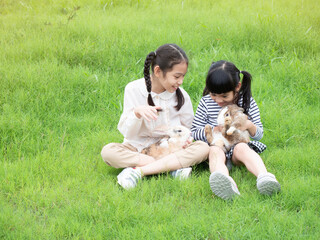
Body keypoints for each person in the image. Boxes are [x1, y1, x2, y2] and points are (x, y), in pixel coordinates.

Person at [101, 44, 209, 190]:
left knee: (203, 147)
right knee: (108, 152)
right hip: (137, 149)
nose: (181, 81)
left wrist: (187, 141)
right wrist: (137, 113)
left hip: (170, 148)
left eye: (183, 76)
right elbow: (128, 133)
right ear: (158, 71)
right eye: (177, 76)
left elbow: (190, 128)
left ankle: (138, 171)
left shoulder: (182, 96)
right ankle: (171, 168)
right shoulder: (133, 89)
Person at [191, 60, 281, 200]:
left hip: (237, 146)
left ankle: (264, 177)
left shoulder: (247, 101)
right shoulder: (206, 102)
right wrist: (212, 130)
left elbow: (259, 134)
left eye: (224, 96)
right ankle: (224, 181)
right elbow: (194, 131)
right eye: (214, 94)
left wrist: (249, 125)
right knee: (215, 151)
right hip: (218, 145)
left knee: (242, 148)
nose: (218, 100)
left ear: (237, 87)